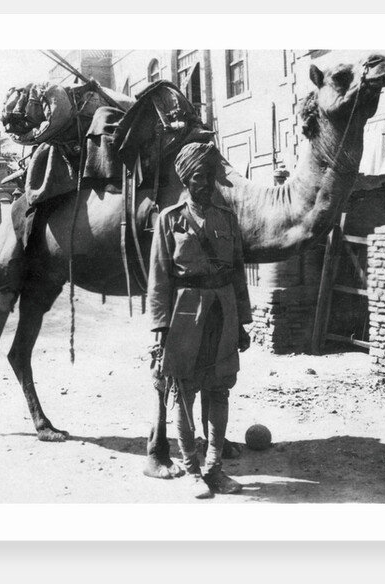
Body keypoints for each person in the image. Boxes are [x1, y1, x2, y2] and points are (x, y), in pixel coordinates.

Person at [148, 142, 252, 499]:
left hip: (222, 314)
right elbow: (159, 279)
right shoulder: (169, 220)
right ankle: (192, 470)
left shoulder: (227, 219)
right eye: (198, 178)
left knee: (219, 389)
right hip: (185, 317)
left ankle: (215, 468)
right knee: (184, 392)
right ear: (186, 181)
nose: (206, 184)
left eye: (209, 177)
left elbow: (237, 273)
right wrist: (160, 330)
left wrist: (242, 322)